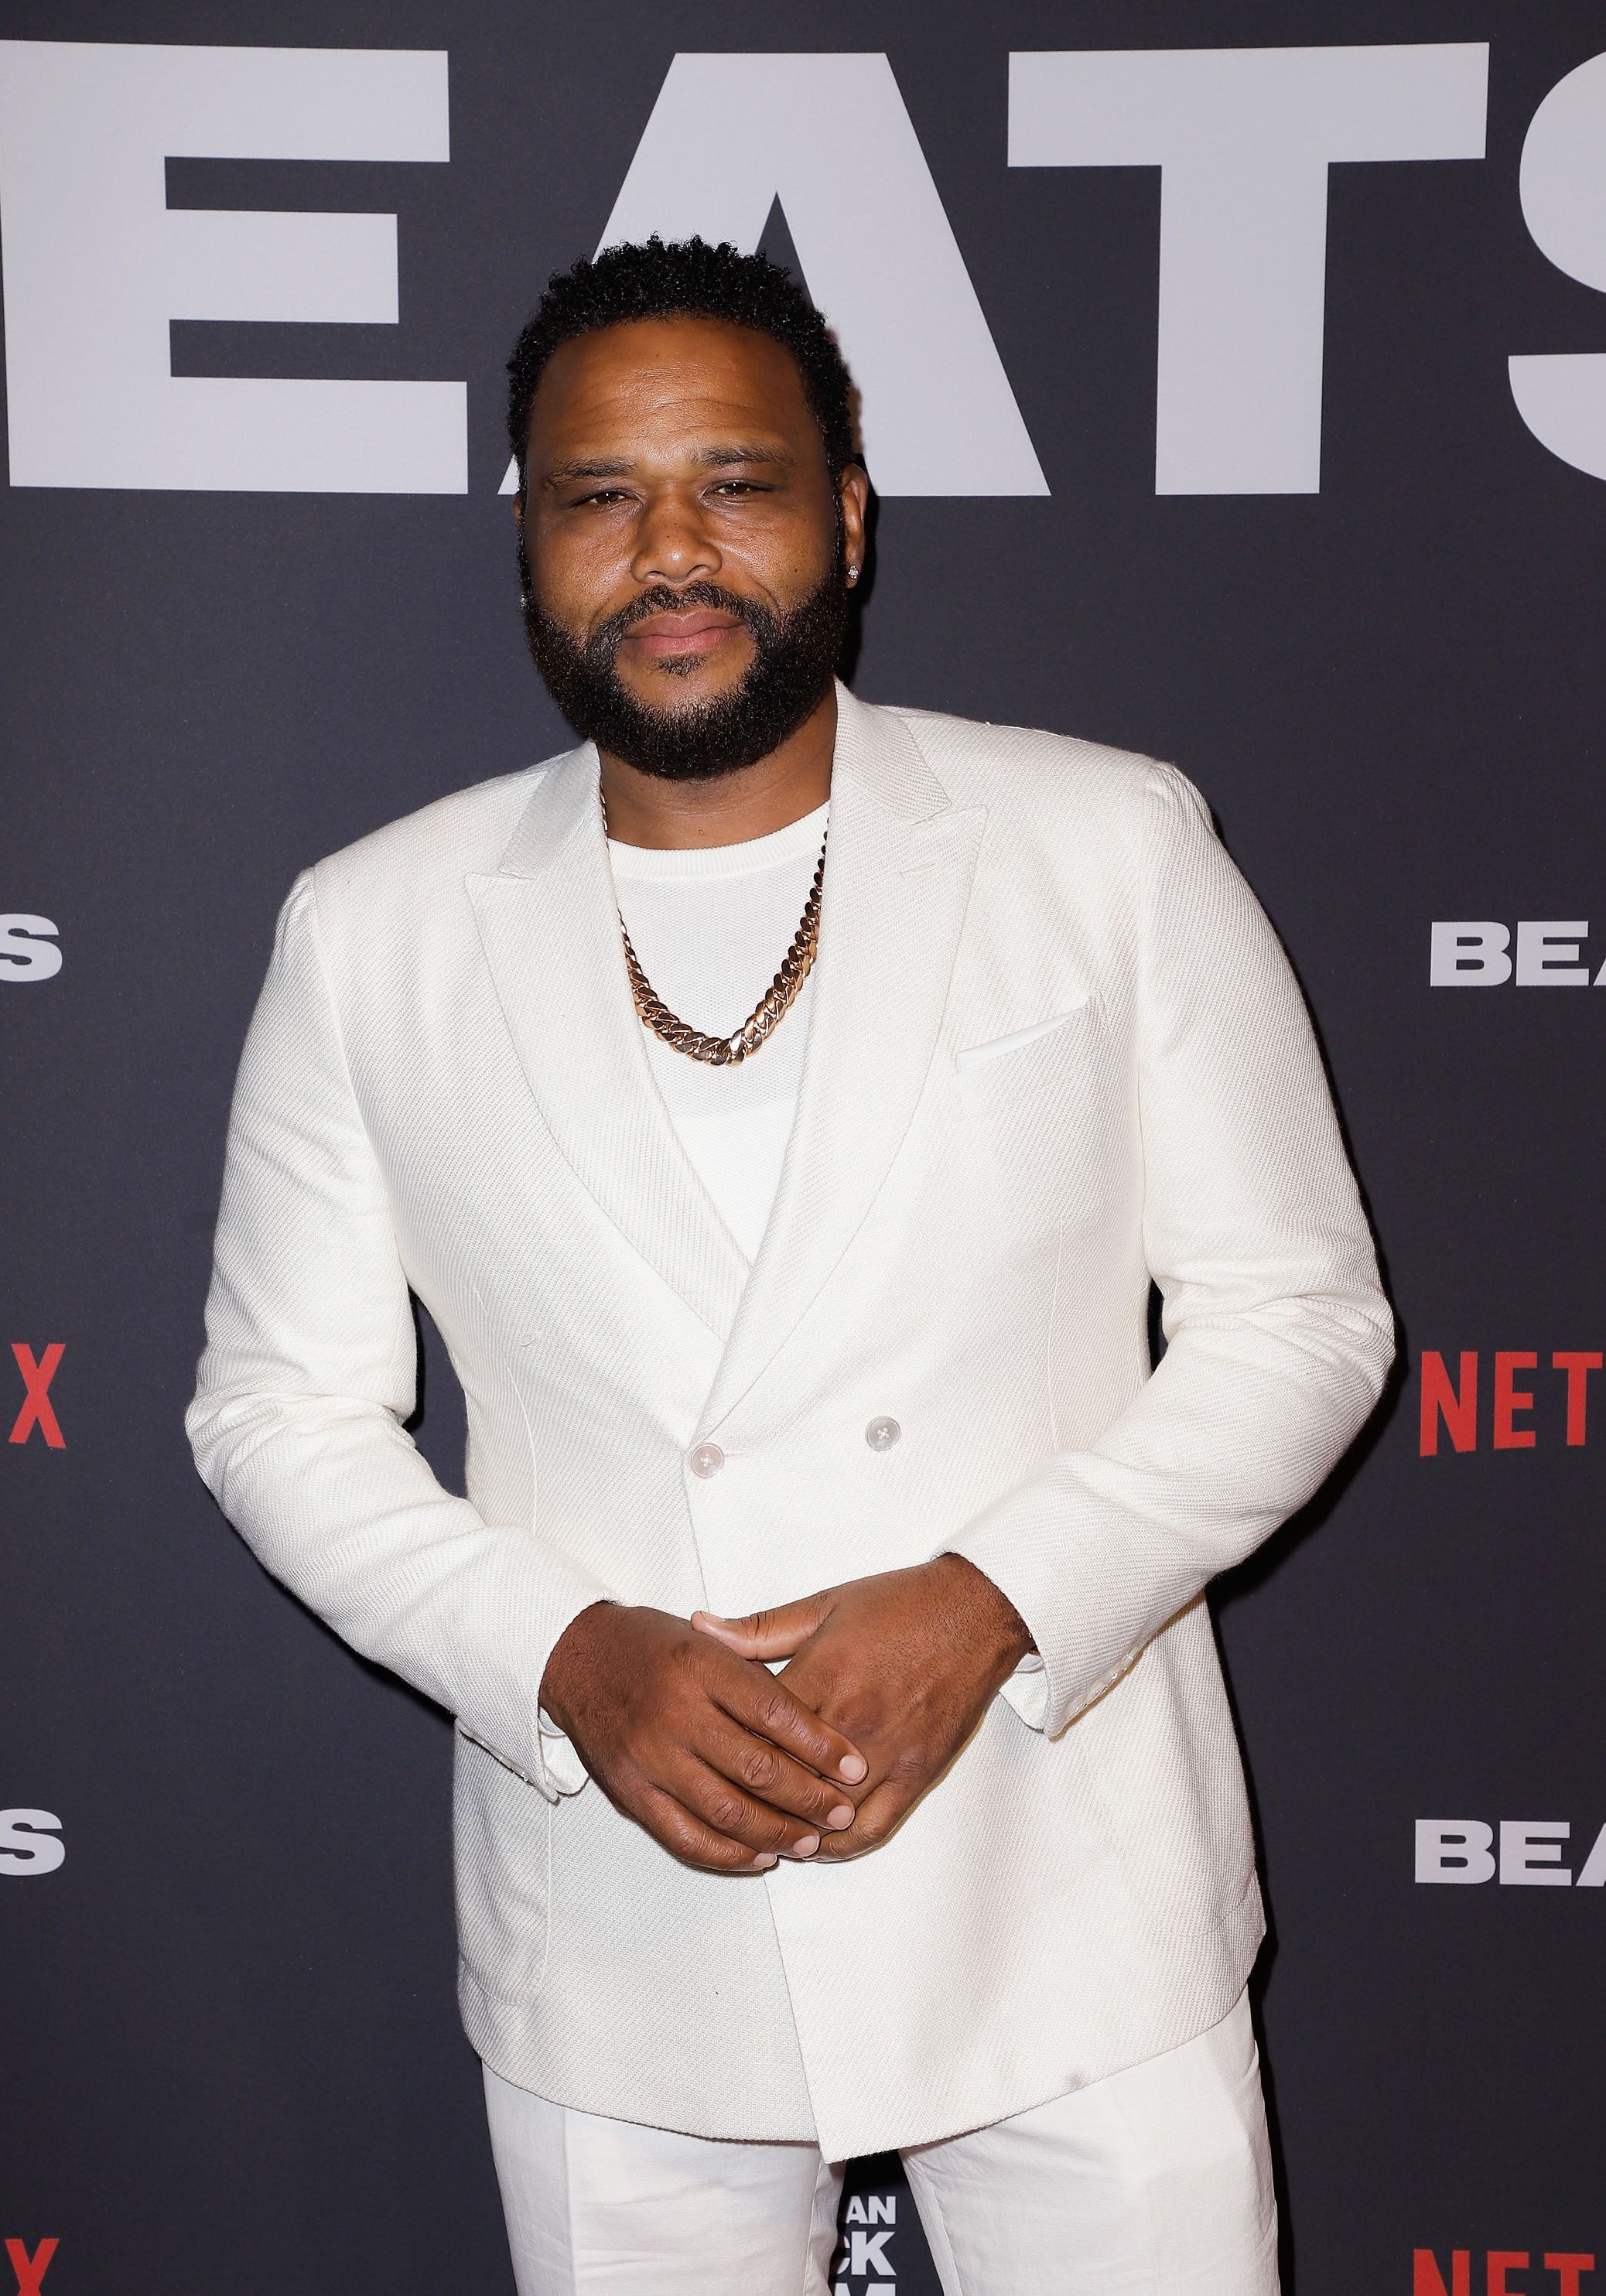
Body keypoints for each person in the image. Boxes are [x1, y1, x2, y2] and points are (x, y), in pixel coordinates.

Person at [186, 236, 1393, 2295]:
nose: (668, 549)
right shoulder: (370, 929)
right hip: (624, 1914)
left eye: (733, 483)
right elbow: (273, 1405)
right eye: (598, 497)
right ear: (525, 541)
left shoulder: (1106, 845)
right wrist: (564, 1654)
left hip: (1065, 1876)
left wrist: (999, 1598)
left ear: (843, 512)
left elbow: (1299, 1316)